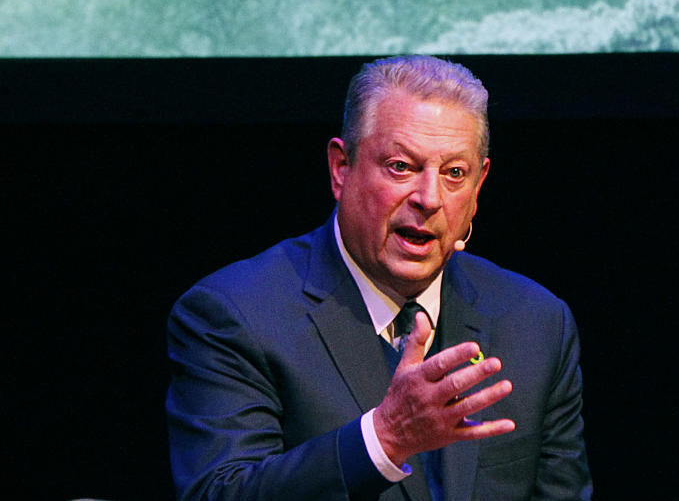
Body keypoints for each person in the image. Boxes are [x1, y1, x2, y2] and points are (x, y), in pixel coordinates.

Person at [166, 55, 592, 501]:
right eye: (401, 167)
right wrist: (384, 439)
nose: (429, 199)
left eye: (454, 174)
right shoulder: (235, 314)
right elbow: (219, 493)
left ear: (478, 187)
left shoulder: (536, 324)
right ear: (341, 168)